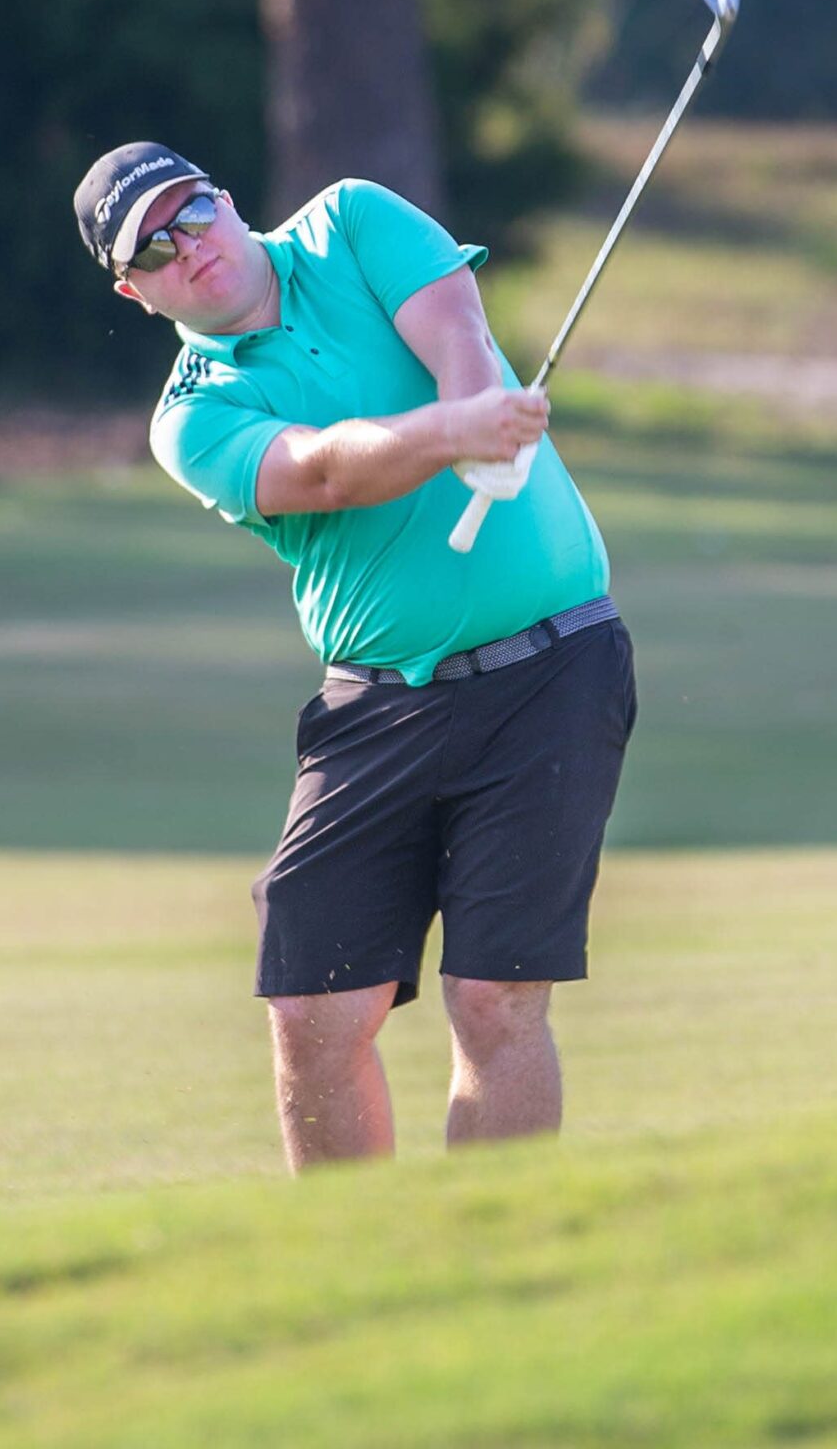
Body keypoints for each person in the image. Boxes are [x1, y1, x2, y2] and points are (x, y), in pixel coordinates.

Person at [72, 140, 635, 1169]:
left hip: (552, 667)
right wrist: (454, 434)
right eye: (150, 248)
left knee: (495, 998)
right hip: (375, 707)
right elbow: (324, 471)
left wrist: (478, 413)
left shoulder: (352, 220)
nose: (184, 246)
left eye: (189, 212)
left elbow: (458, 327)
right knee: (312, 1010)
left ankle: (494, 1265)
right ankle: (357, 1266)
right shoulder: (192, 414)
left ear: (226, 200)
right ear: (133, 290)